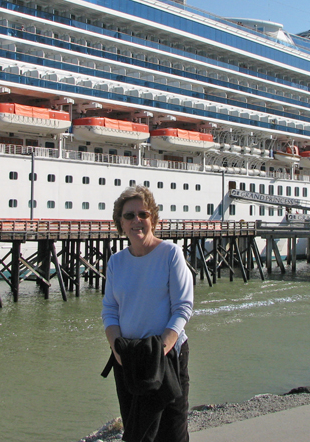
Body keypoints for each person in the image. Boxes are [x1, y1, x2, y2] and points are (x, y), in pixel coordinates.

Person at [102, 186, 194, 442]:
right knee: (137, 433)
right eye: (129, 215)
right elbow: (109, 310)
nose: (136, 220)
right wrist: (117, 348)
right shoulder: (116, 262)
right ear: (120, 223)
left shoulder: (170, 254)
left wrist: (160, 349)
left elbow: (183, 307)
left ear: (153, 218)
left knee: (172, 432)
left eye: (143, 213)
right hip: (128, 359)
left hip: (166, 358)